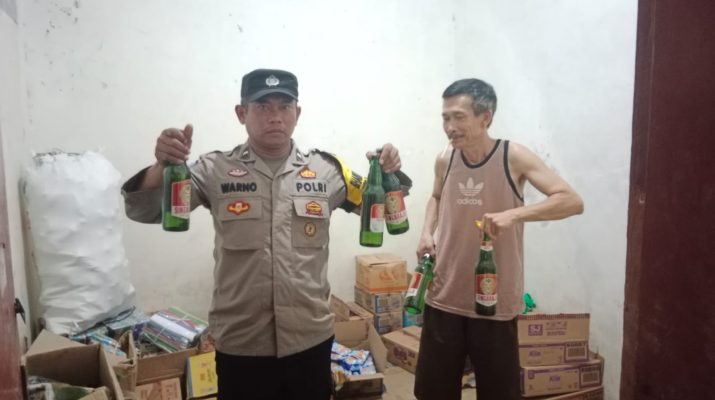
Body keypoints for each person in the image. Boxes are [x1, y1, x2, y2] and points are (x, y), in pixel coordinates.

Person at [121, 68, 410, 400]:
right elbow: (145, 210)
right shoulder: (214, 170)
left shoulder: (328, 171)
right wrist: (162, 165)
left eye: (284, 106)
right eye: (262, 106)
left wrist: (389, 171)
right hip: (242, 344)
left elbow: (385, 208)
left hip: (309, 339)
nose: (275, 116)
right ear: (241, 113)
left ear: (297, 113)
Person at [414, 78, 584, 400]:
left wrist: (514, 214)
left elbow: (571, 201)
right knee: (433, 391)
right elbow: (435, 196)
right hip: (444, 294)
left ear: (485, 117)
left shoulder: (513, 156)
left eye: (459, 117)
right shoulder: (445, 158)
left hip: (493, 300)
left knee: (498, 392)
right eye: (445, 118)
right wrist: (426, 232)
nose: (450, 127)